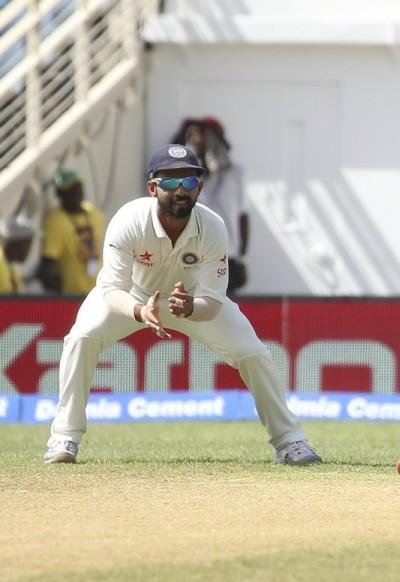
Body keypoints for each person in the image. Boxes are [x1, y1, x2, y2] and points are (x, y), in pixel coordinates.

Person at [42, 144, 321, 466]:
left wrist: (191, 307)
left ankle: (290, 443)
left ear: (199, 187)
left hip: (190, 299)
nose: (180, 190)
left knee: (253, 353)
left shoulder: (213, 226)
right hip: (130, 297)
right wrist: (139, 310)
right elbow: (111, 289)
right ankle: (64, 438)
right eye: (170, 182)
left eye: (188, 182)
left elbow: (213, 301)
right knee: (81, 338)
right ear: (152, 188)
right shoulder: (128, 221)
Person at [177, 117, 249, 296]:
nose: (198, 140)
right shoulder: (184, 178)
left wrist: (242, 258)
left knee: (224, 313)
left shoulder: (236, 175)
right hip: (192, 258)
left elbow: (243, 216)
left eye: (203, 135)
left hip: (227, 257)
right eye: (193, 135)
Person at [37, 170, 104, 295]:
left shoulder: (94, 214)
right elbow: (48, 266)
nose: (75, 193)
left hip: (98, 291)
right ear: (59, 194)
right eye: (69, 190)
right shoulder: (55, 221)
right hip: (73, 295)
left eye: (77, 188)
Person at [0, 215, 36, 294]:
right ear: (18, 244)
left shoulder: (12, 269)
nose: (29, 249)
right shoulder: (1, 267)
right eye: (28, 244)